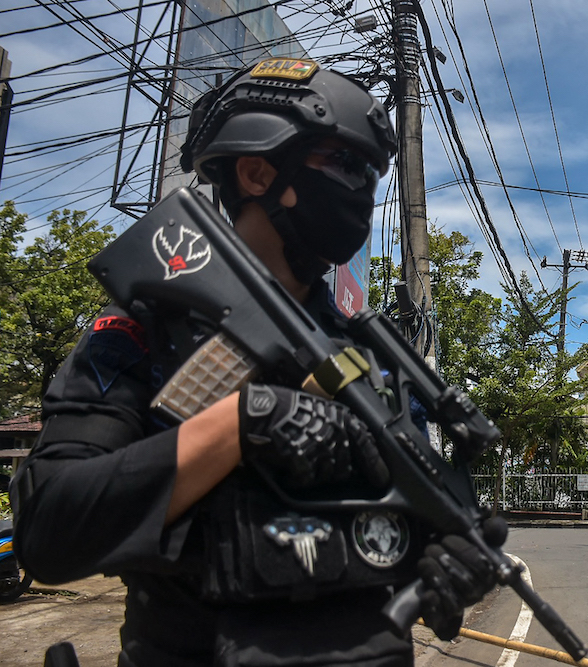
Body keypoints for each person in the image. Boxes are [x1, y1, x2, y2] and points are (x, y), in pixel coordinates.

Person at [11, 58, 501, 667]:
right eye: (345, 164)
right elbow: (52, 532)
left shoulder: (374, 362)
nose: (364, 196)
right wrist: (243, 424)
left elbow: (392, 544)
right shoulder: (144, 333)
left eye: (374, 177)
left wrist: (441, 569)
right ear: (256, 171)